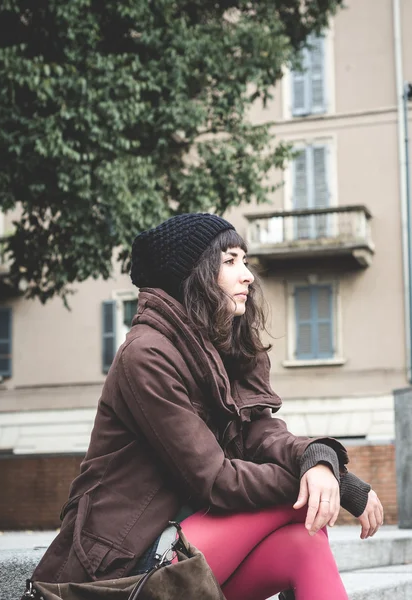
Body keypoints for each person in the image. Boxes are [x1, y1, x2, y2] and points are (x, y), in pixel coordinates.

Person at [31, 213, 384, 600]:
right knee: (304, 505)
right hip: (126, 564)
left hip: (187, 546)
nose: (247, 274)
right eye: (230, 261)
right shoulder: (147, 355)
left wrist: (318, 459)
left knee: (306, 542)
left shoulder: (224, 349)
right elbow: (215, 481)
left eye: (244, 261)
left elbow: (262, 437)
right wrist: (334, 483)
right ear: (194, 275)